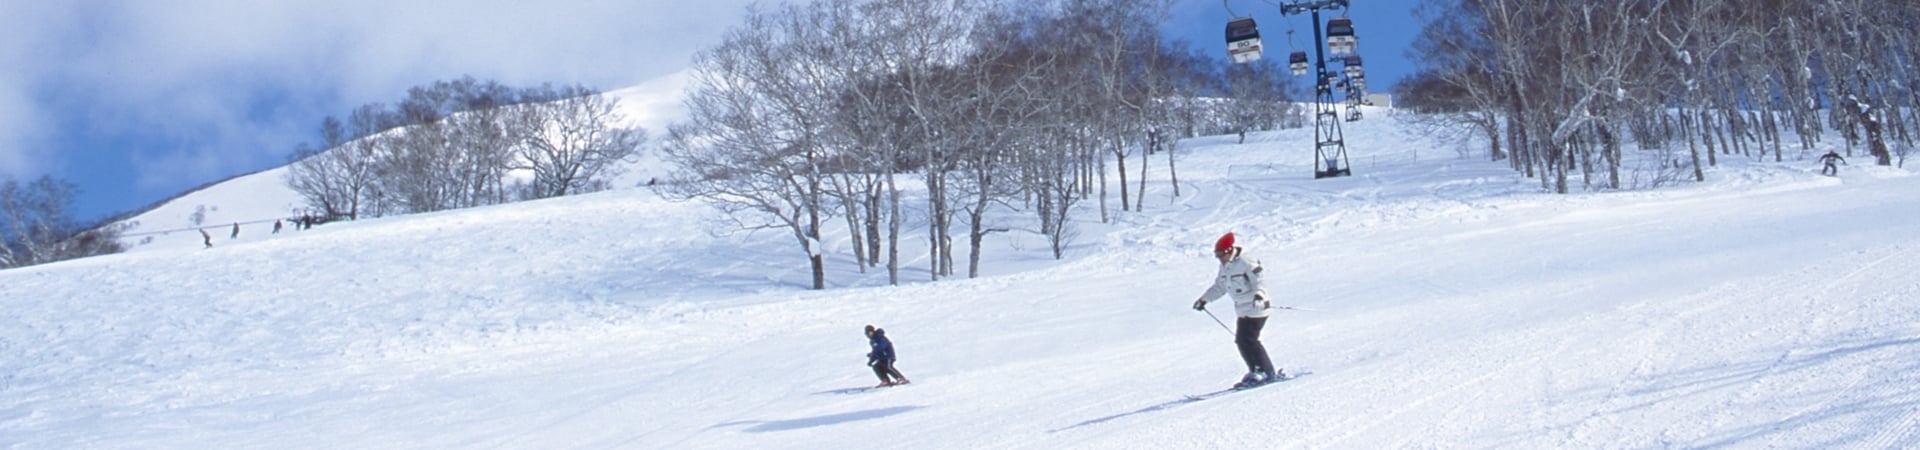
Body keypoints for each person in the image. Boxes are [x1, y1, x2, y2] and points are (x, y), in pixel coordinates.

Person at [1191, 232, 1282, 388]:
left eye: (1220, 255)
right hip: (1242, 309)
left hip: (1256, 307)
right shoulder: (1225, 266)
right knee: (1242, 341)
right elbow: (1220, 287)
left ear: (1229, 251)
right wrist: (1204, 299)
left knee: (1249, 339)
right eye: (1217, 255)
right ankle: (1256, 370)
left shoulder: (1246, 261)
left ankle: (1266, 372)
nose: (1219, 258)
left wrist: (1259, 295)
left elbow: (1259, 281)